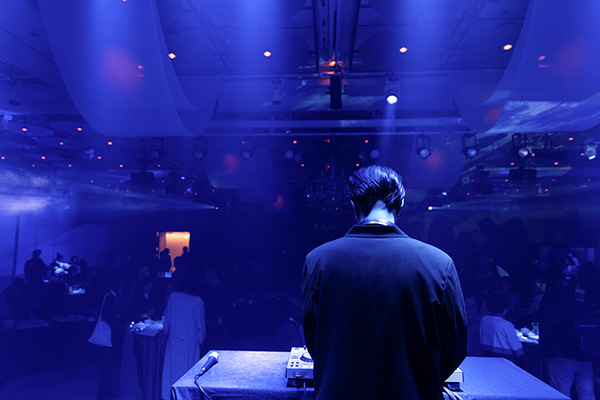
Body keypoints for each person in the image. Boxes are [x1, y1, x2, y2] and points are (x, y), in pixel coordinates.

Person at [301, 165, 468, 400]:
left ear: (353, 204)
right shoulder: (439, 263)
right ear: (401, 203)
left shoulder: (317, 260)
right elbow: (455, 346)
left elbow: (313, 339)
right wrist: (424, 381)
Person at [539, 279, 595, 400]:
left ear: (554, 292)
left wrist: (546, 352)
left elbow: (545, 333)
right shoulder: (582, 307)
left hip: (560, 355)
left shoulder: (550, 308)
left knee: (561, 394)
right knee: (587, 393)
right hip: (585, 356)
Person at [161, 271, 206, 400]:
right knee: (189, 377)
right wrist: (201, 341)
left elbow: (166, 326)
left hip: (174, 343)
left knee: (172, 374)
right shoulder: (198, 301)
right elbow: (201, 329)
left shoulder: (173, 297)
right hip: (192, 344)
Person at [479, 292, 523, 362]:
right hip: (505, 358)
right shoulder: (507, 324)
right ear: (505, 309)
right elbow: (517, 349)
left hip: (487, 356)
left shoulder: (484, 319)